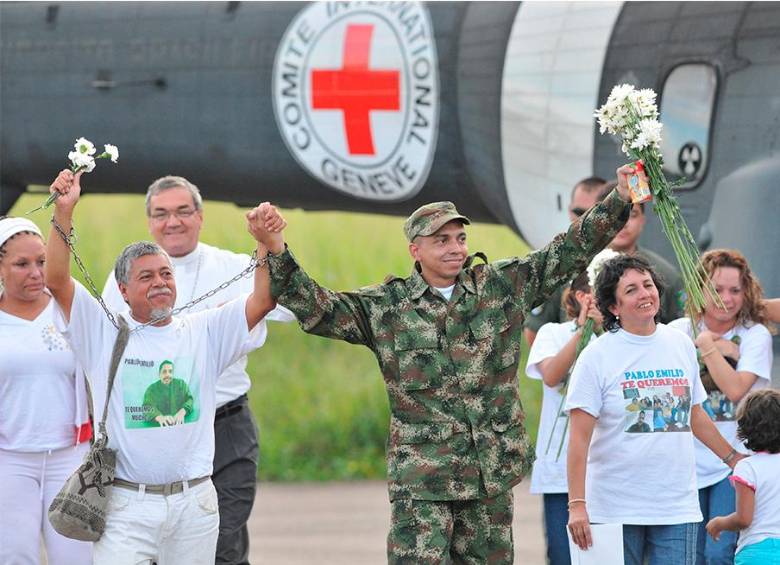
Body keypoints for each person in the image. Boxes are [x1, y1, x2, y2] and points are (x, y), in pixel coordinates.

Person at [248, 163, 637, 563]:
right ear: (415, 250)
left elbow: (568, 251)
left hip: (490, 476)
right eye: (441, 240)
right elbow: (319, 308)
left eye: (460, 237)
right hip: (424, 483)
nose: (455, 247)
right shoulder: (389, 307)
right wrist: (275, 247)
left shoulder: (500, 288)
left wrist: (620, 197)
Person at [45, 169, 282, 565]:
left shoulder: (204, 330)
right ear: (122, 291)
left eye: (166, 274)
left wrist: (267, 244)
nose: (160, 283)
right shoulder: (103, 333)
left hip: (194, 506)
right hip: (126, 507)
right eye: (146, 277)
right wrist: (64, 212)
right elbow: (56, 279)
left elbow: (262, 301)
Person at [566, 255, 742, 565]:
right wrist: (577, 505)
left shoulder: (680, 344)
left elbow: (693, 414)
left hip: (675, 505)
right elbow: (578, 440)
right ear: (613, 307)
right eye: (631, 290)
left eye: (648, 285)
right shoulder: (596, 357)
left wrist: (732, 458)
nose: (645, 294)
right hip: (613, 508)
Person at [669, 249, 774, 565]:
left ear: (747, 293)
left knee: (719, 553)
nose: (725, 299)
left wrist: (708, 346)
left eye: (735, 291)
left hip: (734, 462)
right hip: (685, 463)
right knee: (688, 555)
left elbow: (735, 389)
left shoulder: (754, 336)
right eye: (716, 289)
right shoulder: (676, 332)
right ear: (699, 288)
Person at [0, 217, 93, 565]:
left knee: (77, 558)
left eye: (41, 261)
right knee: (13, 556)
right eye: (21, 264)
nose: (36, 272)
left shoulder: (69, 308)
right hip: (9, 459)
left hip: (70, 457)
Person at [526, 270, 602, 565]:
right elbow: (552, 376)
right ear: (582, 297)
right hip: (560, 473)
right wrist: (584, 331)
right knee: (563, 556)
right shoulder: (553, 334)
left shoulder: (619, 340)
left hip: (608, 471)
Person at [523, 176, 606, 347]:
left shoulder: (634, 266)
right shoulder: (556, 264)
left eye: (593, 212)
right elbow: (534, 336)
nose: (585, 220)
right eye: (579, 212)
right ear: (569, 211)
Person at [706, 389, 780, 565]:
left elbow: (744, 519)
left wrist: (719, 523)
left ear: (744, 429)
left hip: (757, 554)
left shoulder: (747, 468)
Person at [597, 179, 685, 323]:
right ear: (598, 221)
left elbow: (680, 324)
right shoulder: (576, 270)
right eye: (613, 215)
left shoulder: (666, 274)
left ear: (643, 220)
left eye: (632, 215)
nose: (623, 223)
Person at [143, 360, 195, 427]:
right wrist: (159, 417)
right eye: (164, 372)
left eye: (170, 371)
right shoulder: (151, 389)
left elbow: (190, 400)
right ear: (159, 374)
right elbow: (146, 407)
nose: (167, 375)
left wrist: (182, 412)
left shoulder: (181, 384)